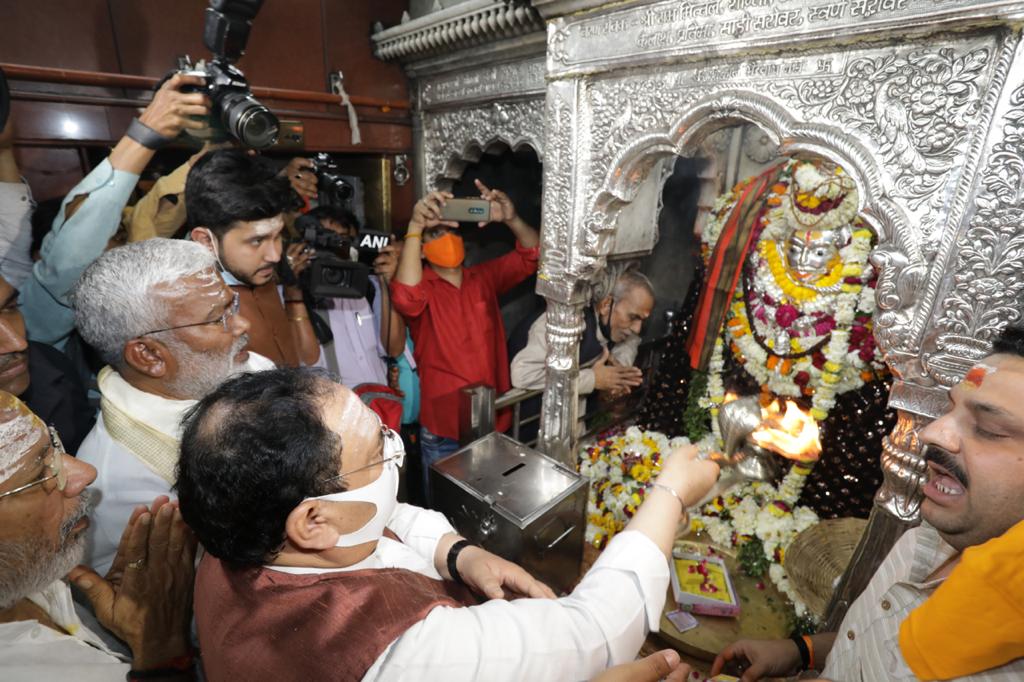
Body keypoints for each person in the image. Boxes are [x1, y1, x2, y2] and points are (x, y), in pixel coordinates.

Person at [174, 366, 720, 682]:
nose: (396, 448)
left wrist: (457, 553)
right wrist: (670, 494)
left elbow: (387, 516)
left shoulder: (234, 531)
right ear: (314, 521)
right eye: (378, 447)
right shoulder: (409, 651)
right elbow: (601, 630)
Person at [710, 325, 1024, 681]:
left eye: (989, 429)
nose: (932, 433)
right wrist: (802, 651)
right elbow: (878, 647)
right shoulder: (932, 532)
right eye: (950, 410)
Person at [69, 238, 275, 575]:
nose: (242, 325)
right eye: (215, 319)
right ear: (148, 355)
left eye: (230, 305)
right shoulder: (125, 486)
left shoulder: (247, 368)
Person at [0, 391, 197, 681]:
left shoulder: (25, 570)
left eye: (53, 443)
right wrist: (163, 655)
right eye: (42, 471)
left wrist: (126, 631)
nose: (86, 472)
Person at [16, 73, 211, 350]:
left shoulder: (123, 291)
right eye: (106, 236)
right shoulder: (40, 311)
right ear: (41, 255)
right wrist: (144, 135)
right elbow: (72, 257)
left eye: (118, 235)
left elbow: (152, 215)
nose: (119, 249)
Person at [391, 182, 539, 501]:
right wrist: (416, 226)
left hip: (490, 417)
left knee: (488, 501)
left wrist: (511, 218)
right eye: (434, 234)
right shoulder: (422, 287)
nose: (446, 239)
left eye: (451, 230)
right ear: (419, 247)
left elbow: (532, 254)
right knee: (446, 508)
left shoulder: (482, 279)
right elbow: (406, 299)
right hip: (443, 425)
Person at [187, 149, 320, 367]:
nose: (276, 255)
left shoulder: (259, 270)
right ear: (206, 241)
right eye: (257, 241)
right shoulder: (188, 312)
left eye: (278, 235)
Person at [510, 265, 654, 440]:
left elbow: (631, 342)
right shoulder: (560, 322)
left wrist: (617, 372)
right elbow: (523, 374)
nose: (637, 329)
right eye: (633, 318)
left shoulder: (606, 325)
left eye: (642, 321)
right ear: (606, 304)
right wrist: (592, 379)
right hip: (528, 438)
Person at [306, 204, 407, 386]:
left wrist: (387, 284)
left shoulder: (370, 287)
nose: (334, 250)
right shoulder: (295, 294)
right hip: (330, 409)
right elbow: (303, 361)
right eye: (326, 240)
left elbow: (394, 349)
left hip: (376, 405)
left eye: (343, 241)